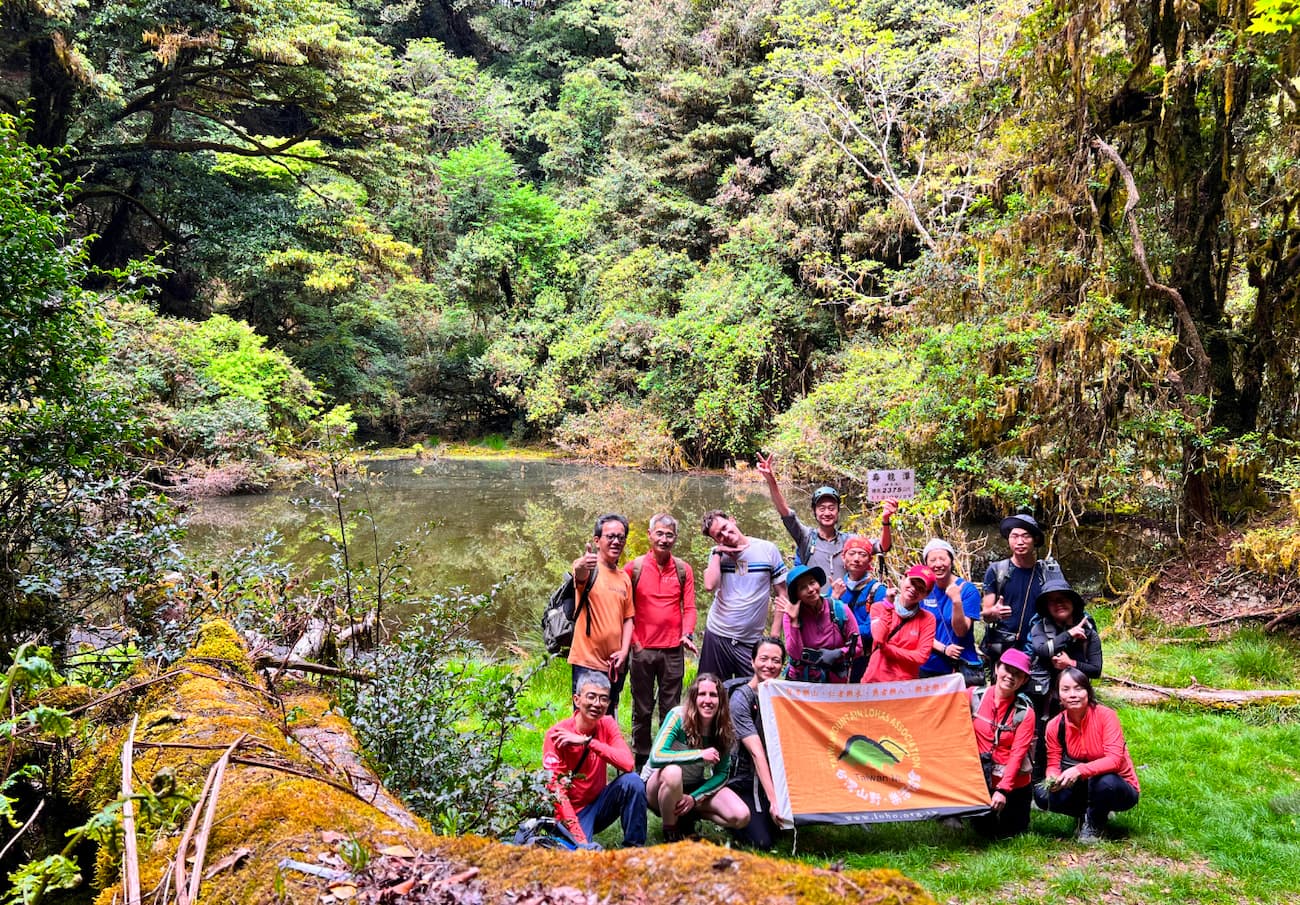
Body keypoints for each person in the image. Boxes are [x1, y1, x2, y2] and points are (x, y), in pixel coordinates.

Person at [625, 513, 698, 771]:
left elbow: (689, 608)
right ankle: (642, 757)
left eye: (669, 535)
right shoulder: (633, 568)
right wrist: (634, 642)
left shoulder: (682, 569)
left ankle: (666, 757)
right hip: (642, 650)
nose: (664, 539)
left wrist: (686, 633)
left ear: (675, 538)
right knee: (642, 707)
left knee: (671, 708)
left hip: (673, 651)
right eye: (660, 533)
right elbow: (625, 610)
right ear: (650, 535)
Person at [756, 453, 896, 584]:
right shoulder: (806, 537)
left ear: (838, 511)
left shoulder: (850, 541)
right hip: (815, 607)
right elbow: (786, 513)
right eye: (822, 508)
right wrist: (771, 481)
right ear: (814, 512)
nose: (827, 513)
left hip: (843, 607)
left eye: (831, 508)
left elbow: (883, 546)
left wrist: (885, 520)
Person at [542, 674, 647, 847]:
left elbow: (628, 764)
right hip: (571, 811)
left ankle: (634, 850)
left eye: (603, 698)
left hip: (598, 803)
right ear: (576, 699)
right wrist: (579, 837)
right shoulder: (556, 735)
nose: (597, 704)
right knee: (581, 857)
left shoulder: (607, 723)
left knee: (633, 781)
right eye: (591, 696)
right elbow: (557, 792)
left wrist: (588, 742)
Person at [1037, 668, 1140, 842]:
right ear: (1058, 695)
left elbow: (1115, 760)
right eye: (1066, 689)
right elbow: (1053, 762)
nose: (1072, 694)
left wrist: (1079, 770)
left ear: (1088, 691)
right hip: (1081, 785)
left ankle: (1094, 825)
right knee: (1042, 794)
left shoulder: (1106, 716)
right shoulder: (1055, 725)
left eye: (1078, 688)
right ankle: (1090, 811)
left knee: (1104, 781)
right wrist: (1053, 778)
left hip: (1117, 785)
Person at [645, 673, 751, 841]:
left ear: (721, 700)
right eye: (702, 694)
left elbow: (722, 774)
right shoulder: (678, 716)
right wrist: (699, 755)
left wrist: (694, 799)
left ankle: (688, 814)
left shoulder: (724, 728)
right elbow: (656, 757)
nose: (707, 700)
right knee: (673, 773)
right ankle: (671, 834)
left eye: (713, 695)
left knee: (741, 815)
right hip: (657, 787)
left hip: (692, 787)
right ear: (694, 697)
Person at [699, 510, 789, 681]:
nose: (725, 534)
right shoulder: (716, 554)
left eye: (725, 527)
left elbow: (782, 594)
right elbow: (709, 585)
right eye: (719, 535)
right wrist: (719, 552)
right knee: (713, 692)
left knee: (755, 695)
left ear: (732, 520)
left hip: (751, 641)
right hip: (718, 635)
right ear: (715, 540)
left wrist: (775, 635)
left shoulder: (767, 549)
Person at [1027, 576, 1103, 777]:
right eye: (1052, 601)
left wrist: (1071, 664)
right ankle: (1041, 785)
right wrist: (1069, 635)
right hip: (1047, 697)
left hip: (1080, 696)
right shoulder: (1040, 628)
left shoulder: (1089, 632)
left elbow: (1096, 669)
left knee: (1086, 737)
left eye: (1063, 598)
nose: (1058, 603)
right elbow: (1042, 650)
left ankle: (1089, 780)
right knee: (1045, 737)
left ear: (1073, 602)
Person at [570, 514, 635, 718]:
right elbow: (579, 573)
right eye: (610, 536)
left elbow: (628, 619)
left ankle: (605, 751)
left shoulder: (624, 578)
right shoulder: (589, 569)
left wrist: (624, 652)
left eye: (621, 537)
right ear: (597, 541)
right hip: (587, 662)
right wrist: (583, 563)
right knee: (584, 719)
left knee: (607, 718)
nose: (616, 541)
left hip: (614, 665)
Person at [981, 514, 1064, 670]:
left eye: (1026, 536)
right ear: (1008, 539)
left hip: (1041, 645)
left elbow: (1064, 609)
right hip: (1006, 645)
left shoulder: (1047, 572)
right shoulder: (997, 571)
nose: (1020, 541)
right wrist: (994, 612)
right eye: (1015, 536)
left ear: (1035, 540)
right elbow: (986, 615)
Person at [968, 649, 1036, 839]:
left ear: (1023, 681)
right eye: (1007, 669)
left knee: (1011, 833)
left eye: (1018, 674)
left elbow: (1018, 754)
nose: (1011, 676)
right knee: (985, 832)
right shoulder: (973, 696)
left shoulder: (1025, 713)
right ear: (997, 668)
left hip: (1013, 785)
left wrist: (1003, 790)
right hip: (980, 779)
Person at [727, 637, 785, 850]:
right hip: (744, 779)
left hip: (773, 776)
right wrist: (774, 801)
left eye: (776, 661)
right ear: (752, 662)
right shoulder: (741, 699)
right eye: (764, 659)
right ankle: (728, 815)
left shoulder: (783, 696)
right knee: (763, 842)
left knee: (783, 830)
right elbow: (756, 754)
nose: (769, 665)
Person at [918, 538, 983, 685]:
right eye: (932, 560)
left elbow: (961, 631)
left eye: (942, 559)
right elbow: (918, 629)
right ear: (926, 564)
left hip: (961, 666)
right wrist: (943, 648)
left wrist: (956, 601)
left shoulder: (968, 590)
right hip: (929, 665)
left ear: (951, 561)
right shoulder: (923, 590)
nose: (938, 564)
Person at [779, 564, 860, 683]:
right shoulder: (791, 615)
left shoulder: (840, 609)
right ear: (796, 594)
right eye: (803, 587)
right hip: (802, 682)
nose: (811, 589)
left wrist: (839, 653)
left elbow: (858, 647)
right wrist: (794, 622)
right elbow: (795, 654)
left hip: (834, 683)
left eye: (812, 583)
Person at [861, 565, 938, 684]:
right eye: (912, 582)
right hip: (874, 681)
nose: (914, 589)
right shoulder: (878, 607)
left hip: (905, 687)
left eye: (921, 588)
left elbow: (921, 657)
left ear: (926, 595)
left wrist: (887, 649)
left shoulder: (928, 619)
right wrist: (888, 607)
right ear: (903, 578)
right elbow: (879, 638)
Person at [833, 536, 889, 682]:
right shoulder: (836, 588)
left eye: (862, 554)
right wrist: (834, 599)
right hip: (838, 659)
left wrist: (845, 631)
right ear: (843, 558)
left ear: (870, 560)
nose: (856, 559)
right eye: (852, 554)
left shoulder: (878, 591)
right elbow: (825, 624)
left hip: (867, 658)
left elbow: (875, 628)